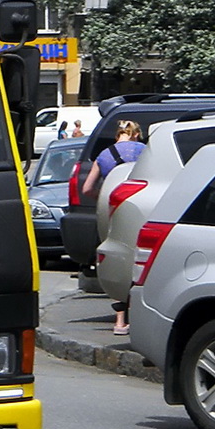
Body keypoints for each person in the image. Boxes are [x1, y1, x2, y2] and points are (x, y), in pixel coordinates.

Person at [81, 119, 145, 335]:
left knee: (117, 258)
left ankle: (119, 321)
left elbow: (87, 188)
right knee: (140, 260)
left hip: (113, 212)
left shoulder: (104, 155)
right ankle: (139, 316)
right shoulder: (144, 151)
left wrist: (104, 197)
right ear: (136, 134)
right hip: (140, 211)